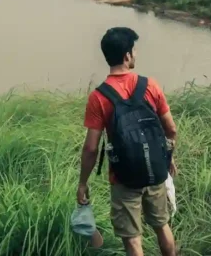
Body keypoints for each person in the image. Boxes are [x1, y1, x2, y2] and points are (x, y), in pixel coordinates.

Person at [78, 27, 179, 256]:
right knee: (162, 225)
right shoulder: (150, 85)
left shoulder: (99, 97)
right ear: (127, 56)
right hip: (155, 170)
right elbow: (171, 130)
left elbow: (91, 148)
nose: (136, 54)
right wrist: (167, 159)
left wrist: (83, 183)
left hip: (123, 178)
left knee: (133, 239)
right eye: (134, 50)